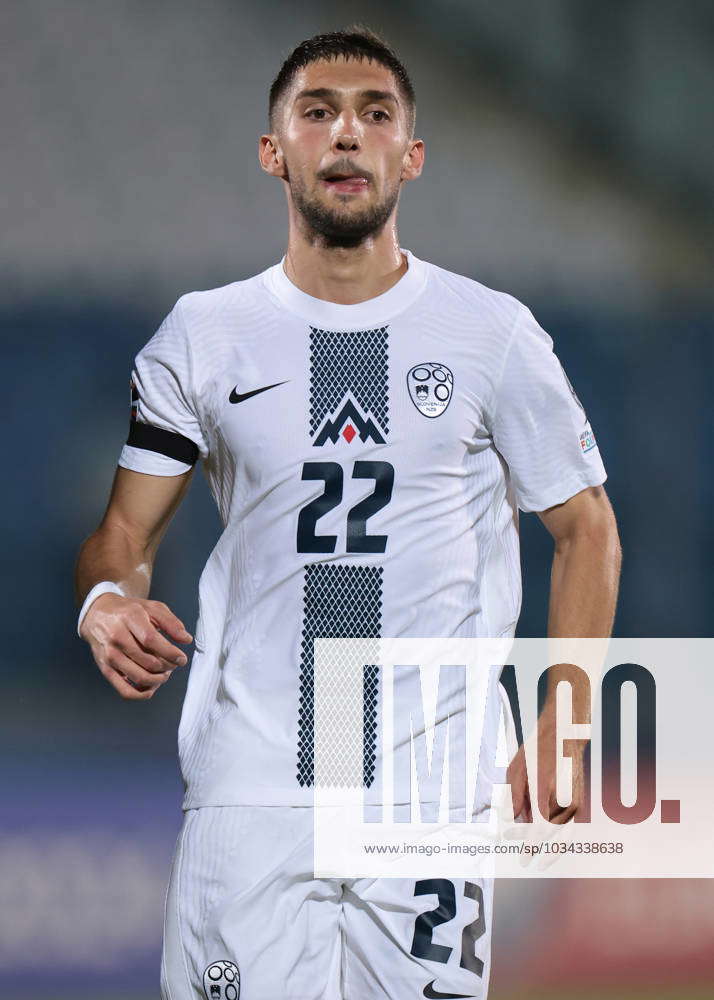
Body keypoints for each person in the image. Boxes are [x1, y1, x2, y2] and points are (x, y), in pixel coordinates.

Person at [75, 26, 621, 1000]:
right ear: (273, 150)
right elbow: (124, 536)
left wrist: (567, 718)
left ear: (409, 157)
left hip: (429, 787)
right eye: (317, 111)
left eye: (376, 116)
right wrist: (106, 602)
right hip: (252, 787)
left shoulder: (493, 336)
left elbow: (587, 528)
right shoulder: (203, 337)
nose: (346, 135)